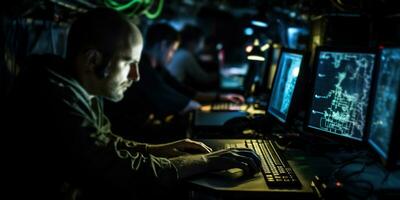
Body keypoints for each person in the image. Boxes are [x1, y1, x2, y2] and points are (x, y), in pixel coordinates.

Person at [4, 8, 260, 199]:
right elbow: (115, 168)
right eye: (129, 63)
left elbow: (107, 143)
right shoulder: (55, 99)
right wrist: (207, 162)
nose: (136, 76)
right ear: (93, 60)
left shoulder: (77, 89)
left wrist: (159, 150)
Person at [167, 24, 219, 89]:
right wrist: (221, 74)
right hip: (174, 93)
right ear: (192, 42)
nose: (202, 46)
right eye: (202, 41)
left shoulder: (178, 52)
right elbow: (204, 79)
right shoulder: (185, 55)